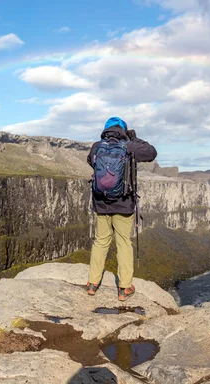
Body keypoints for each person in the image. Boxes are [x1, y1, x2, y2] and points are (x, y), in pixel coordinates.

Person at [86, 117, 157, 301]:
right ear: (123, 130)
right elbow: (151, 153)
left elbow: (90, 162)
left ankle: (93, 284)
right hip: (124, 203)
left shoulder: (97, 146)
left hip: (101, 202)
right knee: (123, 243)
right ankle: (124, 289)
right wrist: (134, 139)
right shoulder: (129, 146)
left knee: (101, 241)